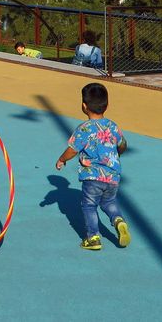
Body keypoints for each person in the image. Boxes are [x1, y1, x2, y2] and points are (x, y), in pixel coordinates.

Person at [54, 82, 131, 250]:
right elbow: (123, 144)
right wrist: (116, 155)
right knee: (109, 202)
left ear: (84, 106)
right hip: (113, 175)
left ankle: (93, 237)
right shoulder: (112, 126)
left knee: (89, 205)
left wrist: (62, 159)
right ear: (107, 105)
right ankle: (118, 220)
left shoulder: (84, 129)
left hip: (93, 175)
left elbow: (72, 150)